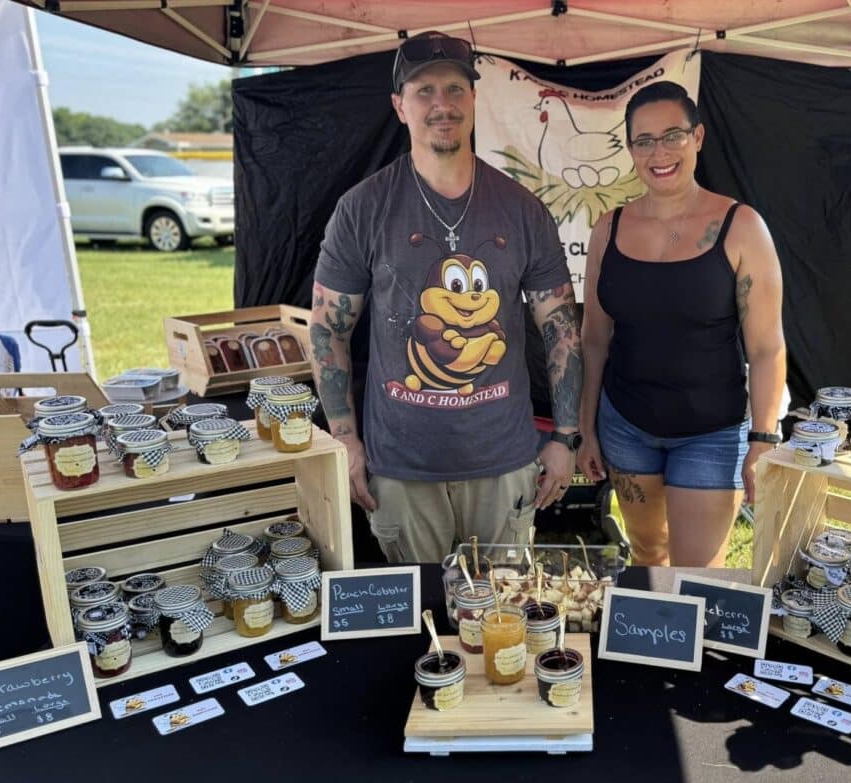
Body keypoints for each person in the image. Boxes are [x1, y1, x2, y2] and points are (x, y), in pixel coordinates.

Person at [310, 31, 583, 564]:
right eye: (424, 91)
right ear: (400, 106)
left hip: (503, 463)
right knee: (423, 612)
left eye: (456, 89)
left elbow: (561, 328)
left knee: (504, 611)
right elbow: (327, 329)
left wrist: (566, 437)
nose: (443, 104)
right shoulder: (363, 208)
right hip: (402, 468)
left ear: (474, 99)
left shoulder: (522, 209)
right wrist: (344, 438)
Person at [576, 81, 786, 568]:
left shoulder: (741, 227)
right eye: (644, 141)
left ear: (698, 137)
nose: (660, 153)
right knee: (648, 557)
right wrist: (586, 428)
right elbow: (594, 340)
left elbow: (767, 349)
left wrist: (762, 440)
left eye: (673, 135)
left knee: (696, 575)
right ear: (630, 149)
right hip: (626, 425)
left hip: (710, 431)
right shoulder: (608, 229)